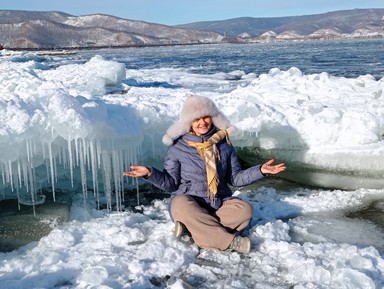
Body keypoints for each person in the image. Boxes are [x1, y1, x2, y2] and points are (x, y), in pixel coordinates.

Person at [123, 95, 286, 253]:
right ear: (188, 122)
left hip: (217, 204)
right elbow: (171, 183)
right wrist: (150, 173)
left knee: (244, 210)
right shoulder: (177, 148)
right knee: (181, 204)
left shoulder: (224, 145)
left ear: (213, 117)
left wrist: (260, 171)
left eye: (205, 117)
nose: (202, 122)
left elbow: (235, 178)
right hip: (189, 202)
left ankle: (192, 228)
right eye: (196, 119)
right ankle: (228, 242)